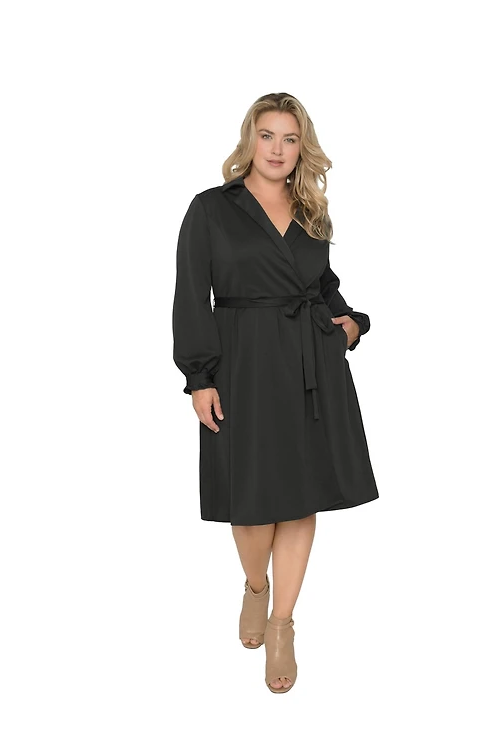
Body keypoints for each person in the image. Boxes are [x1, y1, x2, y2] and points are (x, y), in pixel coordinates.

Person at [172, 92, 379, 693]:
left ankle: (283, 624)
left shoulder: (312, 210)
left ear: (301, 147)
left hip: (310, 364)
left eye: (290, 139)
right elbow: (191, 293)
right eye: (268, 135)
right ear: (250, 138)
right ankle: (255, 586)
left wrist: (351, 324)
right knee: (251, 501)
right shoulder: (212, 208)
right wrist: (199, 377)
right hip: (243, 366)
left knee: (300, 498)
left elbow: (322, 284)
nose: (278, 149)